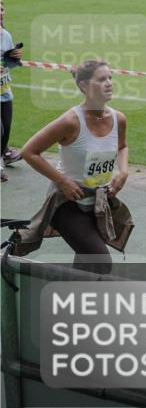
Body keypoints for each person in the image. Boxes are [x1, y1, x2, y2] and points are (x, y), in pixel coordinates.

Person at [16, 60, 132, 274]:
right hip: (68, 203)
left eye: (110, 78)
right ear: (84, 86)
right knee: (99, 261)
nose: (109, 83)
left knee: (86, 260)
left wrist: (123, 171)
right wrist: (62, 181)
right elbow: (29, 152)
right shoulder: (70, 121)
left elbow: (122, 146)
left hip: (99, 202)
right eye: (101, 79)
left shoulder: (118, 119)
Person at [1, 0, 24, 181]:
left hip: (4, 91)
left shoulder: (6, 35)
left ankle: (4, 155)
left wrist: (15, 57)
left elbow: (8, 63)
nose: (0, 12)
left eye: (2, 9)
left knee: (6, 130)